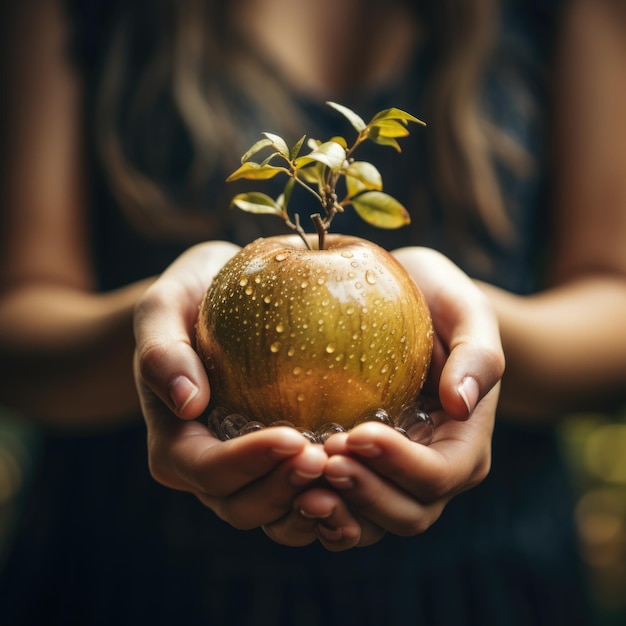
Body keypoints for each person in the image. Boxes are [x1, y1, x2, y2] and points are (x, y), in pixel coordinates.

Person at [1, 0, 625, 624]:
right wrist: (159, 336)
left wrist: (465, 328)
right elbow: (18, 319)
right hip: (126, 576)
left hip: (486, 583)